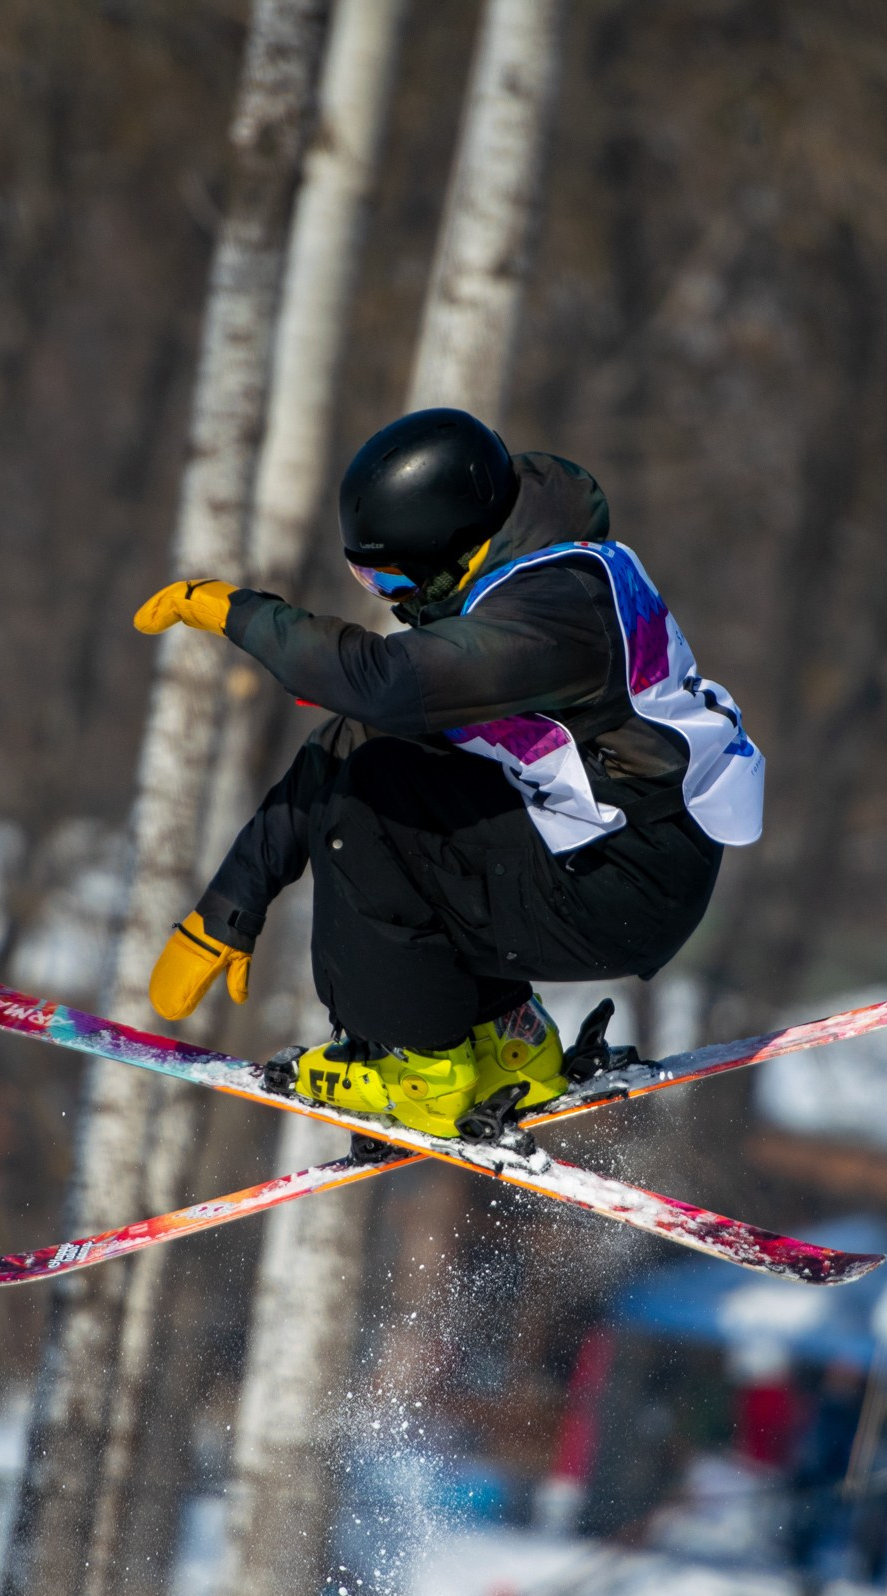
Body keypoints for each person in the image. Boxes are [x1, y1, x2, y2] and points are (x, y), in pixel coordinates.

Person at [131, 407, 763, 1137]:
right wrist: (231, 905)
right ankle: (510, 1045)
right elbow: (349, 735)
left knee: (369, 808)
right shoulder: (540, 563)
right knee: (385, 767)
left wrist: (241, 614)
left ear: (448, 550)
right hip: (616, 850)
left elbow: (377, 683)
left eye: (387, 575)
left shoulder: (544, 613)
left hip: (622, 885)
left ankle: (420, 1068)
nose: (388, 596)